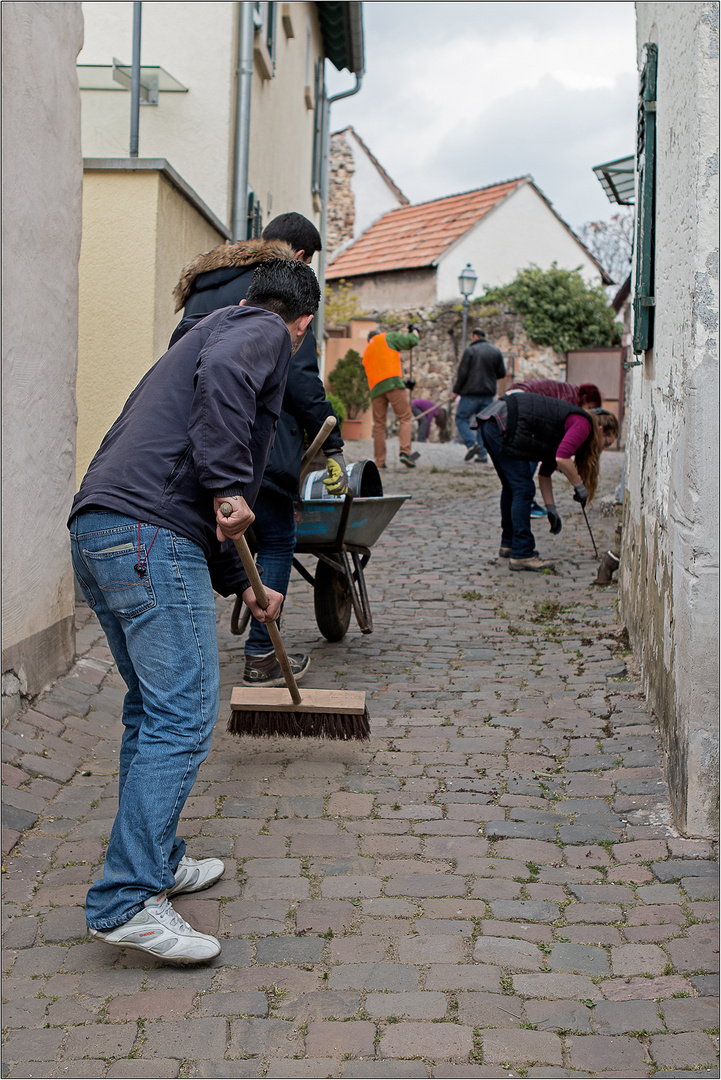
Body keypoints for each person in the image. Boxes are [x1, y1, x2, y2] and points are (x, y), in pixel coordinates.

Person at [68, 259, 320, 964]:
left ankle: (160, 859)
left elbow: (180, 473)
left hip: (102, 528)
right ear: (300, 323)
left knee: (152, 710)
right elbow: (226, 398)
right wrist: (229, 485)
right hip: (146, 534)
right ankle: (125, 901)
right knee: (180, 713)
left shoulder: (203, 329)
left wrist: (240, 583)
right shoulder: (261, 331)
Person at [174, 213, 346, 688]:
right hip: (253, 443)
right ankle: (261, 654)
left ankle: (185, 657)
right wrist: (331, 445)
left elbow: (184, 354)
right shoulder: (284, 293)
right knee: (274, 535)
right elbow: (299, 378)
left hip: (190, 434)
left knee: (208, 537)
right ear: (301, 255)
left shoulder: (206, 282)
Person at [477, 392, 619, 572]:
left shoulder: (568, 426)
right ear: (599, 431)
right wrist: (580, 487)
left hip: (492, 422)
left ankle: (509, 544)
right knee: (523, 489)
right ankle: (522, 554)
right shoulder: (583, 424)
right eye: (606, 443)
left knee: (512, 487)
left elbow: (545, 472)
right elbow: (562, 458)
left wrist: (551, 509)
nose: (602, 449)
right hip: (504, 422)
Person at [363, 325, 420, 468]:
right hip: (393, 384)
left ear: (368, 339)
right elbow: (411, 341)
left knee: (379, 426)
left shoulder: (367, 351)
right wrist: (415, 331)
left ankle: (380, 461)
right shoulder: (386, 337)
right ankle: (405, 452)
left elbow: (381, 371)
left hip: (376, 390)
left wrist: (405, 383)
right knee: (405, 418)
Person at [453, 328, 506, 462]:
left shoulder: (470, 351)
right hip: (488, 394)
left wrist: (456, 391)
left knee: (461, 418)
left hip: (470, 393)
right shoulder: (496, 351)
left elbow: (462, 374)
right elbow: (501, 374)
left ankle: (472, 444)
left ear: (474, 336)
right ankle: (482, 454)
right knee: (483, 423)